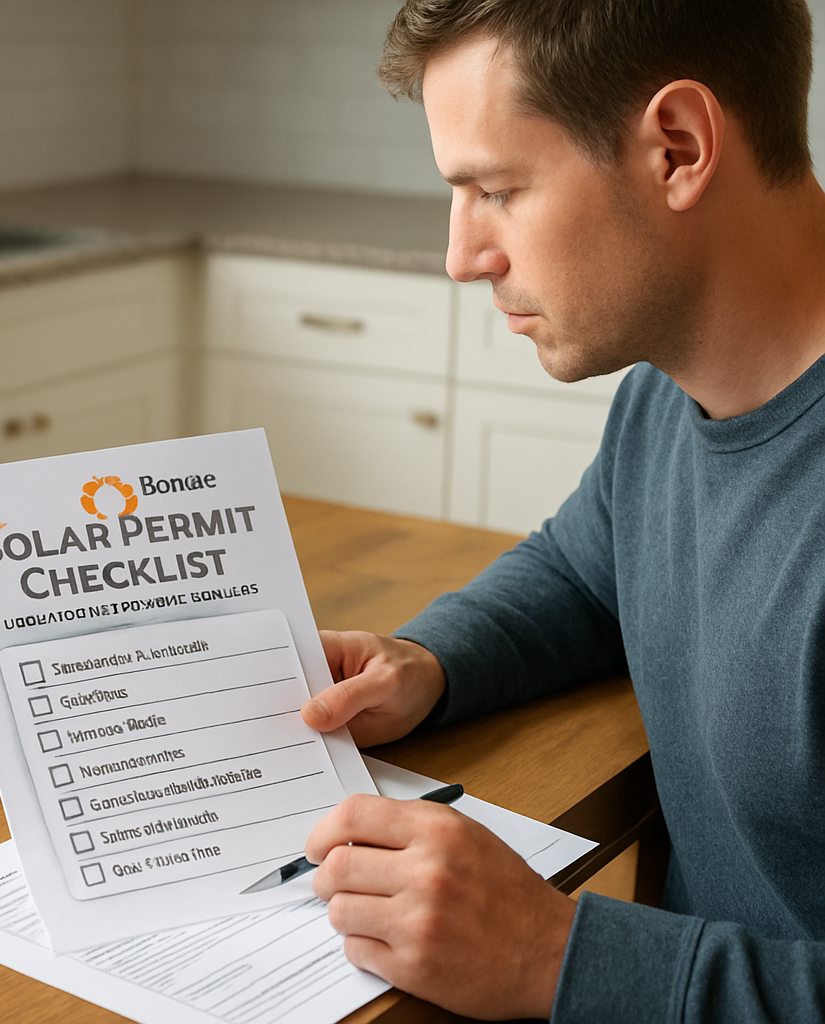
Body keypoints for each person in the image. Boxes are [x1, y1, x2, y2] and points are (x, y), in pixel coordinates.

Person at [297, 1, 825, 1020]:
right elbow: (590, 568)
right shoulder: (668, 394)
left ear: (676, 148)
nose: (462, 255)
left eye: (495, 188)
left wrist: (551, 953)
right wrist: (430, 660)